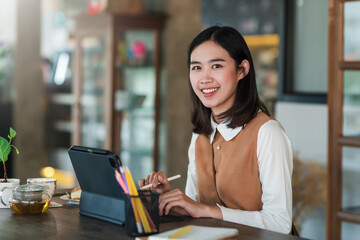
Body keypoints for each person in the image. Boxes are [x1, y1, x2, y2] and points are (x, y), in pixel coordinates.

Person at [139, 26, 293, 235]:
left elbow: (280, 223)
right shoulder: (200, 136)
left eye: (216, 66)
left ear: (242, 70)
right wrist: (171, 201)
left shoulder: (267, 133)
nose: (204, 78)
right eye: (196, 68)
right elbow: (195, 208)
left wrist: (208, 210)